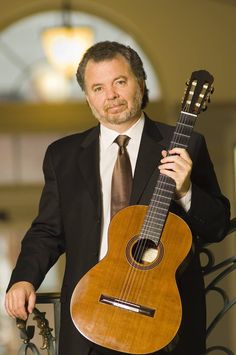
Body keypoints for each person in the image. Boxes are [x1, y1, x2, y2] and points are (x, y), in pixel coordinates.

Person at [5, 41, 230, 355]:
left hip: (163, 320)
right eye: (98, 87)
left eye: (119, 82)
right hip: (90, 315)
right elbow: (47, 231)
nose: (110, 96)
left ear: (140, 82)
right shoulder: (63, 156)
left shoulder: (185, 143)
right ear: (87, 97)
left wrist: (186, 190)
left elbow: (217, 226)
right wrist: (24, 279)